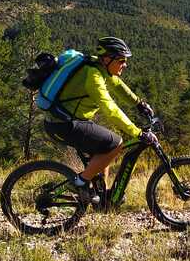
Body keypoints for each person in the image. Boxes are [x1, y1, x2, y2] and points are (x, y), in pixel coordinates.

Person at [42, 37, 157, 205]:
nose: (125, 64)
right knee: (115, 143)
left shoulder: (100, 67)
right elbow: (110, 109)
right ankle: (80, 183)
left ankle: (101, 197)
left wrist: (139, 103)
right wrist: (137, 132)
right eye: (121, 60)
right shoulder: (93, 76)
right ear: (107, 59)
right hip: (63, 125)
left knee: (104, 146)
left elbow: (118, 85)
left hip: (67, 121)